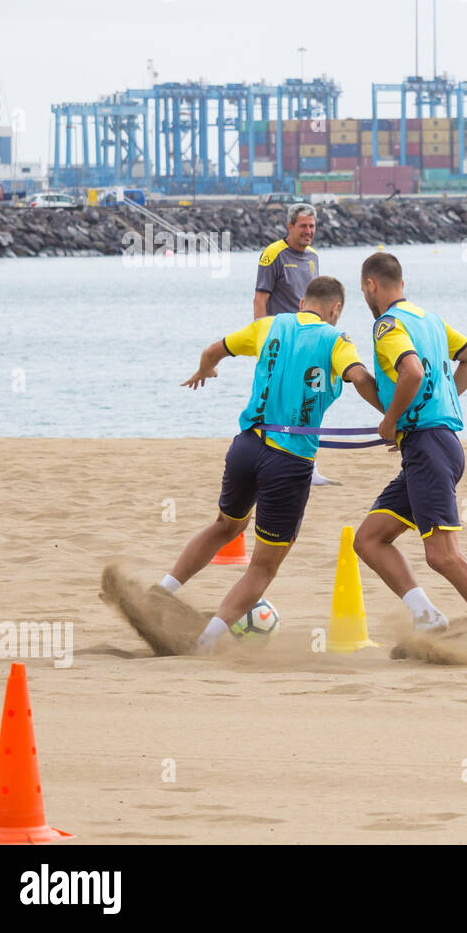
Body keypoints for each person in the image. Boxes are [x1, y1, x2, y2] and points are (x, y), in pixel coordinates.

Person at [159, 276, 378, 654]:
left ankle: (161, 592)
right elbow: (358, 377)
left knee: (226, 526)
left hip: (245, 446)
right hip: (289, 460)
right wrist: (392, 417)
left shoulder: (269, 325)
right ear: (335, 309)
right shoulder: (336, 340)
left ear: (302, 302)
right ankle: (205, 643)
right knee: (262, 566)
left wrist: (204, 371)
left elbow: (214, 350)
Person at [353, 252, 467, 656]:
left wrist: (393, 419)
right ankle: (427, 614)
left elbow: (412, 372)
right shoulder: (428, 319)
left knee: (443, 556)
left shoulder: (388, 324)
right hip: (437, 443)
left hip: (429, 447)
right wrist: (433, 407)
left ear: (370, 286)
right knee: (369, 539)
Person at [253, 202, 337, 486]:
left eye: (312, 226)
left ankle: (309, 466)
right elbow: (260, 300)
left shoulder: (313, 257)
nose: (308, 232)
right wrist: (263, 343)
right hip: (283, 342)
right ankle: (270, 460)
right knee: (279, 405)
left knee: (313, 400)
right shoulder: (272, 255)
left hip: (312, 342)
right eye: (303, 226)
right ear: (289, 227)